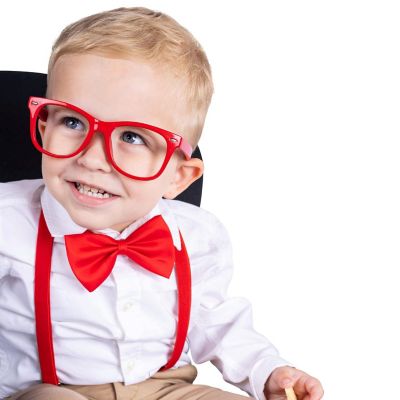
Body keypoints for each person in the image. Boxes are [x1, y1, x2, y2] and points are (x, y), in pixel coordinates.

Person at [0, 7, 323, 400]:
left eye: (133, 137)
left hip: (167, 388)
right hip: (50, 390)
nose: (92, 157)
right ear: (44, 125)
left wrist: (268, 372)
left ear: (178, 178)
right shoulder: (8, 221)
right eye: (73, 122)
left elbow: (215, 323)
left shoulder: (197, 235)